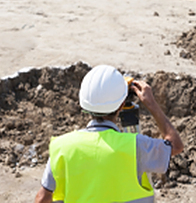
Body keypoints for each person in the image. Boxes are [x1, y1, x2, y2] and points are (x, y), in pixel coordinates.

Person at [34, 65, 184, 203]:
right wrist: (151, 104)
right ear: (121, 105)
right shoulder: (136, 146)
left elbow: (42, 198)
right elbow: (176, 145)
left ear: (83, 103)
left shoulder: (62, 147)